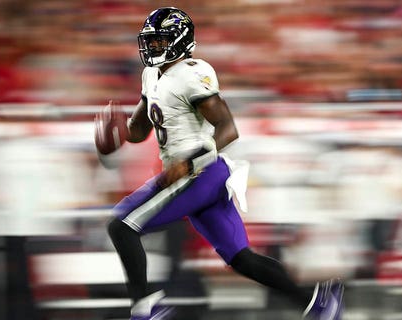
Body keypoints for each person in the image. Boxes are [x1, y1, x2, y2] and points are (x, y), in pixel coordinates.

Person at [102, 7, 344, 320]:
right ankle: (317, 302)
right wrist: (116, 134)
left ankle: (145, 310)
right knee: (241, 258)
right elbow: (140, 129)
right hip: (194, 176)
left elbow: (228, 129)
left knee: (121, 225)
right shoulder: (151, 75)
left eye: (161, 41)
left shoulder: (192, 72)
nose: (154, 48)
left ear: (180, 40)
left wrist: (189, 165)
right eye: (152, 42)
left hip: (200, 172)